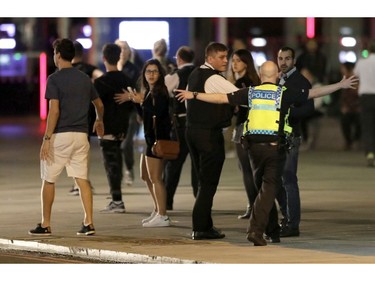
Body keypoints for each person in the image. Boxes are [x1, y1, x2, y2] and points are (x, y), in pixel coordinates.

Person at [174, 60, 358, 246]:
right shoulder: (284, 93)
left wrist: (194, 94)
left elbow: (221, 97)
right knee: (268, 189)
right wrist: (340, 85)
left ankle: (272, 231)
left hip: (253, 150)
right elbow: (314, 93)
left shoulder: (251, 92)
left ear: (261, 76)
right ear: (277, 75)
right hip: (274, 149)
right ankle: (255, 230)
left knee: (263, 190)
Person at [28, 38, 104, 236]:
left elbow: (54, 111)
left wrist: (46, 139)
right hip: (81, 136)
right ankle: (89, 223)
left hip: (61, 136)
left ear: (58, 55)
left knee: (49, 179)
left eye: (54, 53)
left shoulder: (54, 79)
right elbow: (99, 104)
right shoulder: (84, 78)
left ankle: (45, 224)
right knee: (82, 180)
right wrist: (99, 120)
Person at [181, 42, 238, 240]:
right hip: (208, 134)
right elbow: (238, 96)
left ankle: (205, 224)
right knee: (208, 182)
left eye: (226, 57)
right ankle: (200, 227)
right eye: (221, 57)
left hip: (192, 131)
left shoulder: (195, 74)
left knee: (202, 180)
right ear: (210, 58)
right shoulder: (213, 77)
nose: (225, 61)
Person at [126, 59, 172, 227]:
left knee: (155, 178)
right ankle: (156, 209)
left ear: (160, 75)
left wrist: (141, 102)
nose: (151, 74)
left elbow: (158, 113)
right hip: (148, 139)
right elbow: (144, 116)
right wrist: (137, 102)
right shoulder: (149, 92)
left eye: (155, 72)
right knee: (145, 176)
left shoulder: (160, 92)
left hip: (157, 140)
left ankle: (163, 215)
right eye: (148, 72)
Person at [276, 46, 314, 238]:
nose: (283, 62)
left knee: (289, 180)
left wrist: (287, 111)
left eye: (287, 58)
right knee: (277, 181)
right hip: (276, 136)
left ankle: (292, 224)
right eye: (280, 58)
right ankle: (287, 217)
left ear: (294, 61)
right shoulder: (277, 80)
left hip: (291, 137)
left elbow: (309, 108)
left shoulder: (300, 81)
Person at [94, 43, 134, 213]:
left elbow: (95, 105)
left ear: (104, 59)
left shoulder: (100, 82)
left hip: (107, 127)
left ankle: (117, 201)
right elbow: (134, 102)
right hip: (123, 126)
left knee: (111, 164)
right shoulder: (127, 79)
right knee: (117, 161)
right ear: (119, 57)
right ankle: (116, 199)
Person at [163, 46, 197, 210]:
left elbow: (163, 91)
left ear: (179, 59)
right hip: (199, 125)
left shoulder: (176, 74)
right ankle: (200, 200)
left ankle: (167, 201)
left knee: (173, 165)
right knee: (198, 165)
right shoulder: (200, 73)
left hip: (180, 125)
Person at [229, 49, 261, 219]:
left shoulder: (241, 82)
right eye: (233, 60)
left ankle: (253, 206)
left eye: (238, 60)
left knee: (246, 169)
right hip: (255, 127)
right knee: (250, 168)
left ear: (246, 63)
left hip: (243, 127)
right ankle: (255, 204)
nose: (234, 63)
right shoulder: (255, 81)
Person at [69, 40, 104, 196]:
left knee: (71, 150)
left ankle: (77, 184)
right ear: (82, 54)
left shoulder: (65, 71)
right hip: (86, 114)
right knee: (84, 149)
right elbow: (101, 77)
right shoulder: (90, 69)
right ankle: (83, 181)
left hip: (69, 115)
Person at [114, 39, 142, 186]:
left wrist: (140, 112)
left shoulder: (134, 70)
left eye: (125, 49)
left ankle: (129, 169)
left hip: (130, 111)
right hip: (115, 112)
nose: (123, 52)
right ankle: (116, 176)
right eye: (120, 49)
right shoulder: (111, 68)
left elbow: (138, 91)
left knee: (126, 144)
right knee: (115, 144)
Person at [354, 41, 375, 166]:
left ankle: (370, 153)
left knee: (368, 126)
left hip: (365, 97)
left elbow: (355, 76)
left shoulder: (361, 62)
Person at [339, 62, 361, 151]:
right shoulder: (343, 80)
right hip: (347, 108)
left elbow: (357, 94)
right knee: (344, 120)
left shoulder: (354, 79)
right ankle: (348, 141)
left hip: (357, 108)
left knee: (359, 121)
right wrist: (344, 106)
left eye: (343, 68)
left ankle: (355, 140)